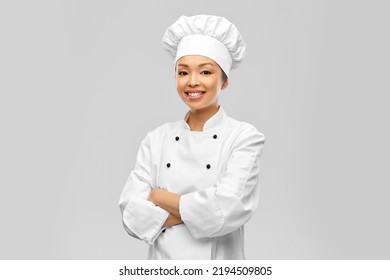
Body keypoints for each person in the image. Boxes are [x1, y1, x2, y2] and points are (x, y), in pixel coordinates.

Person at [119, 15, 265, 259]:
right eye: (183, 72)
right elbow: (130, 214)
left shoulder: (244, 137)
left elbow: (227, 209)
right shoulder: (156, 139)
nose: (192, 82)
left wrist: (159, 196)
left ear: (224, 81)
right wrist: (199, 211)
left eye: (205, 72)